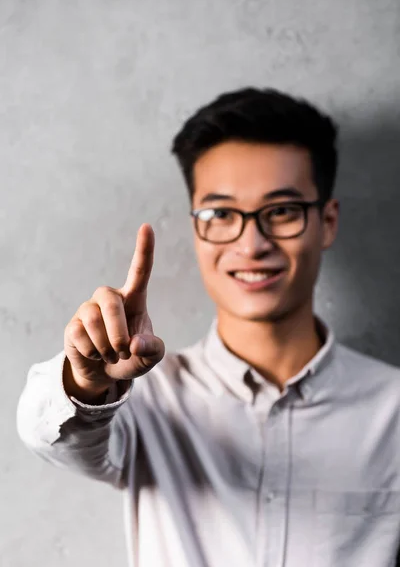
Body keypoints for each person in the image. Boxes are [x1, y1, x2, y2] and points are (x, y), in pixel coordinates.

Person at [17, 88, 400, 567]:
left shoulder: (393, 411)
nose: (251, 243)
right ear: (196, 228)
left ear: (326, 221)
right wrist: (89, 382)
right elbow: (46, 435)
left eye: (281, 211)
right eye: (221, 214)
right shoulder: (146, 400)